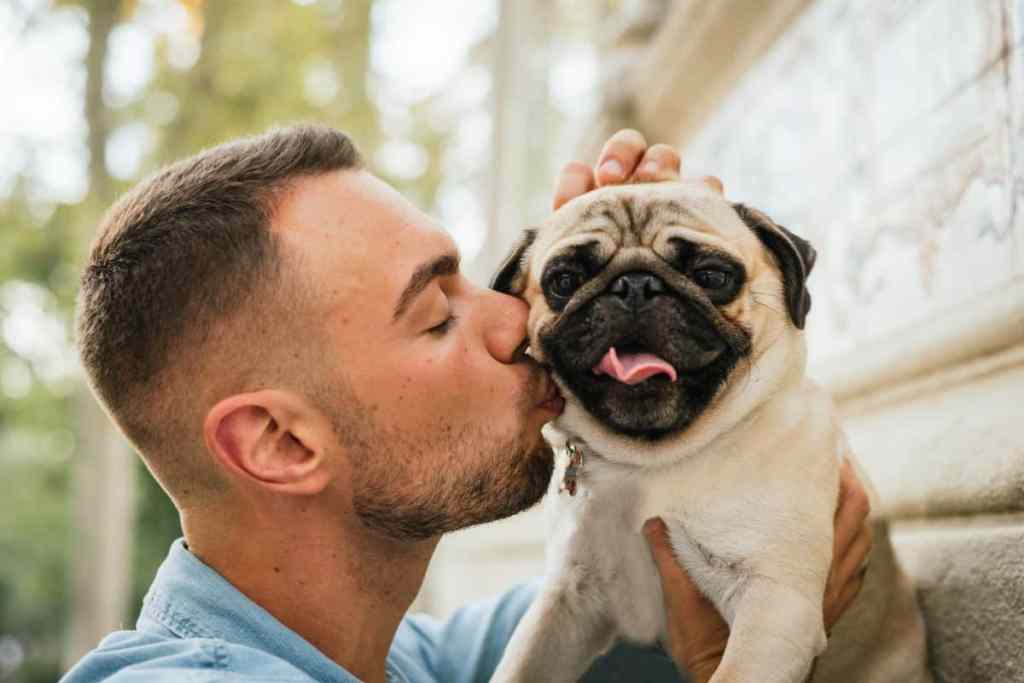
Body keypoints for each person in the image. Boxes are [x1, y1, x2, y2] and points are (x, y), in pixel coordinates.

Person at [62, 124, 872, 683]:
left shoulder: (400, 656)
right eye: (439, 314)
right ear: (280, 442)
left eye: (515, 282)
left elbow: (614, 583)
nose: (519, 319)